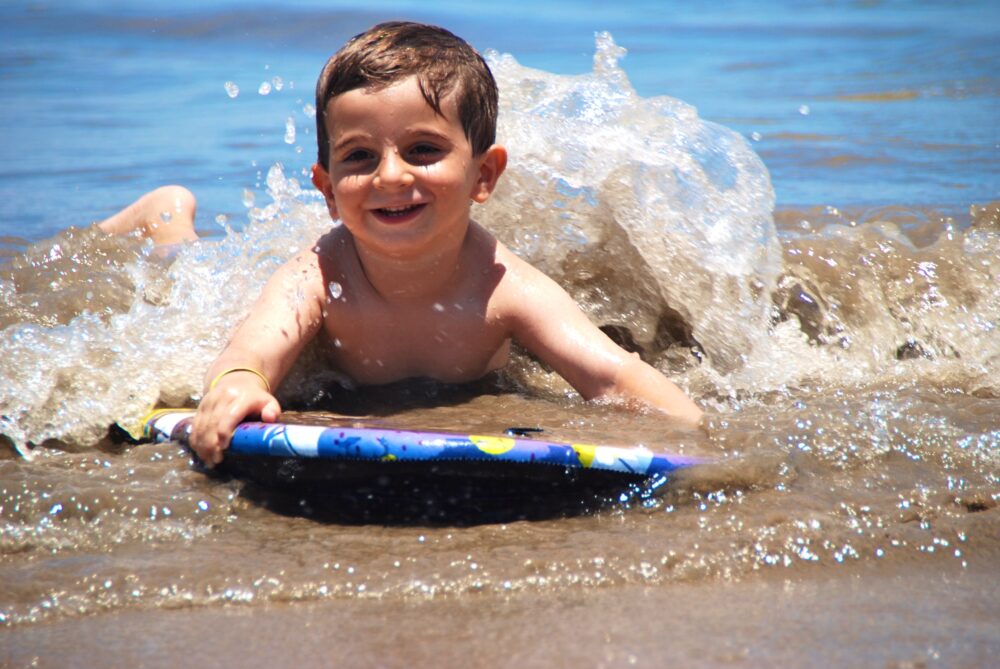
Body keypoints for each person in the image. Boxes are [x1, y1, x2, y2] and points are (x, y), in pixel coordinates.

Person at [123, 21, 700, 465]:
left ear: (484, 176)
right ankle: (167, 215)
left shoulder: (505, 287)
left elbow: (613, 377)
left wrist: (700, 440)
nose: (391, 176)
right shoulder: (318, 275)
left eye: (423, 150)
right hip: (255, 302)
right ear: (327, 188)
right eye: (358, 157)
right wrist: (235, 388)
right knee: (183, 265)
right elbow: (248, 354)